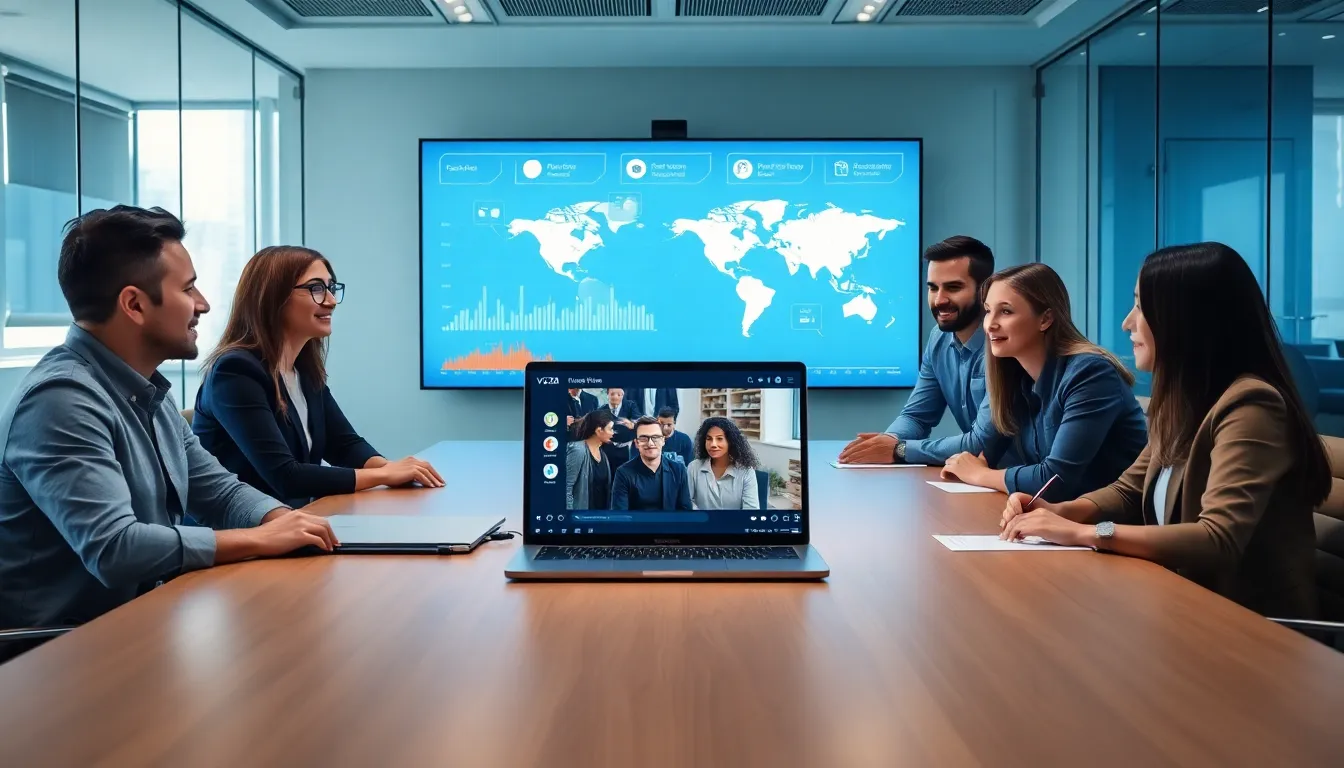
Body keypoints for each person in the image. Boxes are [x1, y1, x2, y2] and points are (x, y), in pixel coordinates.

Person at [0, 206, 338, 634]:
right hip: (58, 651)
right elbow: (116, 548)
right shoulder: (60, 401)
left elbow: (219, 491)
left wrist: (282, 521)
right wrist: (258, 539)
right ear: (134, 304)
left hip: (141, 622)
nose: (204, 304)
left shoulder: (147, 392)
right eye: (188, 289)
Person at [1000, 243, 1331, 618]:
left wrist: (1083, 534)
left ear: (1185, 319)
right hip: (1180, 605)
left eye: (1141, 306)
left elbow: (1217, 538)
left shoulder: (1252, 405)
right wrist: (1059, 512)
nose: (1127, 322)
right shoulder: (1182, 401)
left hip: (1250, 629)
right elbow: (1129, 492)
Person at [192, 246, 443, 509]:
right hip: (241, 537)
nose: (331, 301)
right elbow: (286, 476)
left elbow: (343, 445)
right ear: (273, 297)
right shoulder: (234, 372)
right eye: (316, 288)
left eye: (331, 288)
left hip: (292, 524)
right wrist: (383, 475)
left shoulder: (302, 368)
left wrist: (393, 469)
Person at [936, 263, 1147, 502]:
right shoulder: (1018, 376)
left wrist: (979, 474)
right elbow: (985, 454)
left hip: (1108, 528)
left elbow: (1053, 480)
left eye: (1005, 312)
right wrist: (981, 468)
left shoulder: (1091, 373)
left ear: (1045, 318)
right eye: (988, 311)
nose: (990, 324)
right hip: (1059, 522)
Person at [839, 236, 995, 465]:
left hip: (1021, 484)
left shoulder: (1003, 343)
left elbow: (981, 442)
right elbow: (917, 417)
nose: (939, 300)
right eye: (933, 288)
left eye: (953, 287)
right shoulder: (939, 338)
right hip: (978, 478)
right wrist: (887, 441)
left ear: (985, 290)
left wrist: (899, 450)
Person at [611, 417, 692, 511]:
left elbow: (685, 512)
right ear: (636, 443)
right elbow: (620, 516)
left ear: (663, 440)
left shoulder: (678, 470)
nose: (650, 443)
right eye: (643, 438)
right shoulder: (623, 473)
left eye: (655, 437)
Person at [686, 417, 761, 510]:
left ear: (730, 442)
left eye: (719, 439)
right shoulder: (694, 467)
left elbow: (751, 511)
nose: (713, 444)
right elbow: (687, 502)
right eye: (709, 439)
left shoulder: (746, 471)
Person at [566, 410, 615, 510]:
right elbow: (566, 487)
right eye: (610, 429)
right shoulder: (578, 450)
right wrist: (570, 516)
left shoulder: (603, 455)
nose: (613, 433)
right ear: (598, 430)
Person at [600, 387, 638, 466]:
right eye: (612, 394)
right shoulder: (601, 410)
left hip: (628, 447)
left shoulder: (630, 405)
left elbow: (638, 420)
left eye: (619, 394)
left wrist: (632, 424)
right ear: (607, 395)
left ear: (623, 395)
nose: (615, 397)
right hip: (608, 448)